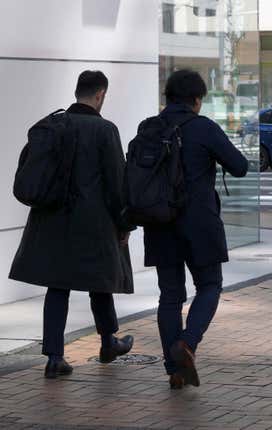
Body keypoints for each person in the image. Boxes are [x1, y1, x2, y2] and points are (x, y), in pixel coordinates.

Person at [9, 70, 135, 378]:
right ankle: (108, 342)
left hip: (51, 220)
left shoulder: (54, 125)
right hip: (93, 223)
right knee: (100, 281)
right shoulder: (105, 130)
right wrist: (125, 223)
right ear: (100, 95)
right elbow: (117, 183)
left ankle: (55, 357)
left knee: (58, 287)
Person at [141, 70, 248, 390]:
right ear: (197, 100)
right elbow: (240, 167)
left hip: (159, 222)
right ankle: (187, 344)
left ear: (168, 97)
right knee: (210, 286)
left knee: (170, 296)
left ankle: (175, 370)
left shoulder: (148, 128)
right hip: (199, 223)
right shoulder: (204, 127)